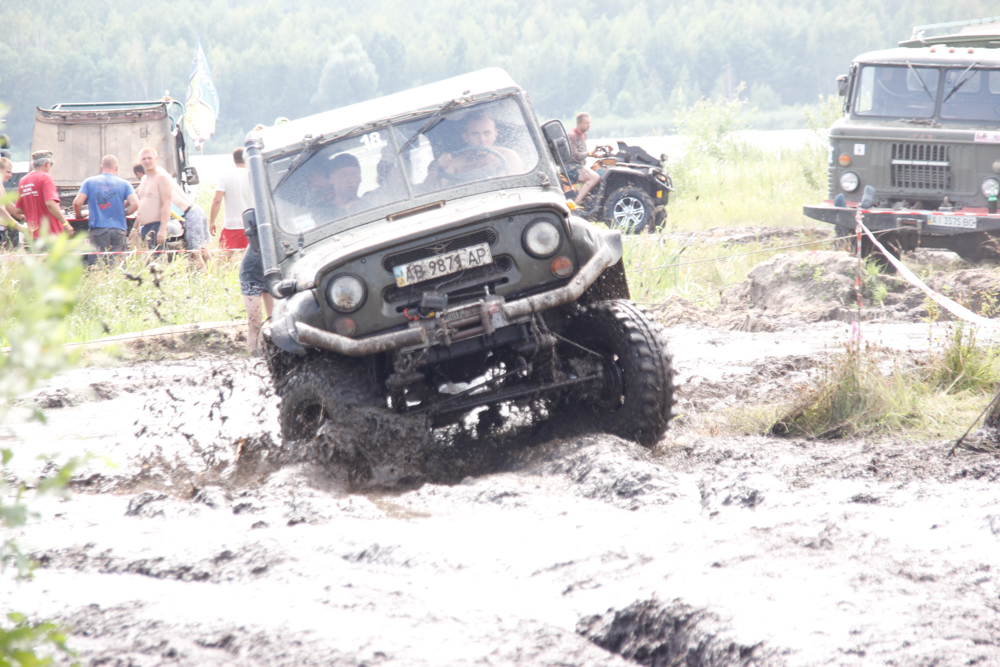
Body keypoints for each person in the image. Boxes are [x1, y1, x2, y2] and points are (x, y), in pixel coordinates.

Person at [72, 155, 139, 263]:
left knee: (98, 263)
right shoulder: (125, 184)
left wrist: (78, 215)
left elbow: (77, 203)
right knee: (116, 263)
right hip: (119, 229)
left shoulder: (89, 182)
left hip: (98, 228)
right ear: (116, 168)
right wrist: (124, 213)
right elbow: (135, 204)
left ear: (101, 167)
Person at [433, 111, 524, 180]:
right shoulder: (455, 163)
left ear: (495, 134)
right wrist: (439, 166)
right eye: (475, 134)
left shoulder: (509, 156)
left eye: (487, 133)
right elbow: (435, 190)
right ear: (466, 137)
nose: (482, 139)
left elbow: (521, 187)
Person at [14, 150, 74, 242]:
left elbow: (18, 210)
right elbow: (50, 204)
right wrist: (65, 224)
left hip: (33, 234)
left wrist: (34, 210)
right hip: (51, 233)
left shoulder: (23, 180)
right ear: (46, 164)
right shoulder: (45, 177)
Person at [210, 148, 254, 253]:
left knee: (223, 258)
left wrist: (212, 221)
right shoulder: (254, 175)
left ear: (233, 159)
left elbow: (217, 200)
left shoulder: (225, 175)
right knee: (253, 257)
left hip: (232, 225)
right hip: (252, 224)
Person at [131, 147, 174, 252]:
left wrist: (163, 229)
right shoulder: (144, 179)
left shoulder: (162, 178)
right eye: (144, 159)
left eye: (150, 158)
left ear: (156, 158)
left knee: (158, 260)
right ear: (140, 161)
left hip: (156, 226)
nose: (147, 161)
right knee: (148, 260)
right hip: (144, 228)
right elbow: (142, 206)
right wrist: (134, 228)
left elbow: (166, 204)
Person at [566, 112, 600, 205]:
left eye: (589, 122)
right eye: (586, 123)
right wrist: (590, 153)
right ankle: (576, 203)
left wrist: (596, 155)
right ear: (579, 123)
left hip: (580, 165)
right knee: (595, 177)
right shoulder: (572, 135)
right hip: (570, 167)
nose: (589, 125)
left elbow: (583, 153)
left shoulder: (584, 134)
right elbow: (575, 155)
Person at [0, 157, 28, 249]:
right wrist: (18, 226)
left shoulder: (1, 185)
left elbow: (8, 205)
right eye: (8, 172)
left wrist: (24, 217)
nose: (10, 175)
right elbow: (1, 209)